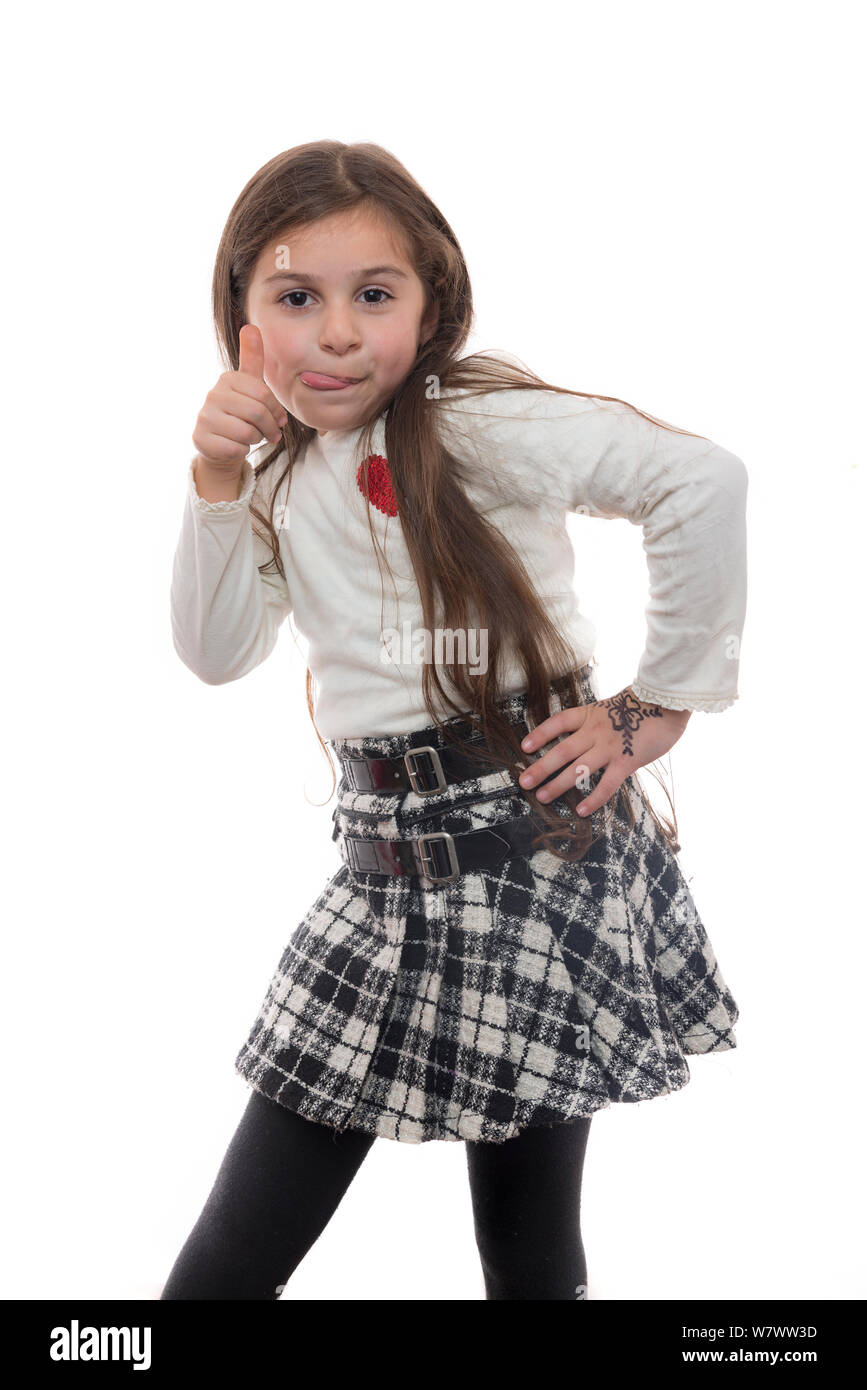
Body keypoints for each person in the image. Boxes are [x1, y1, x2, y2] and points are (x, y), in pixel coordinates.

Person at [161, 140, 748, 1301]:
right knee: (234, 1255)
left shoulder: (475, 423)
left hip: (534, 853)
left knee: (527, 1252)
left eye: (373, 295)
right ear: (244, 323)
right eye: (296, 297)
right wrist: (216, 481)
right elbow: (216, 650)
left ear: (432, 307)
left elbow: (703, 480)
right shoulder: (278, 473)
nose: (335, 332)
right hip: (384, 876)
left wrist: (654, 705)